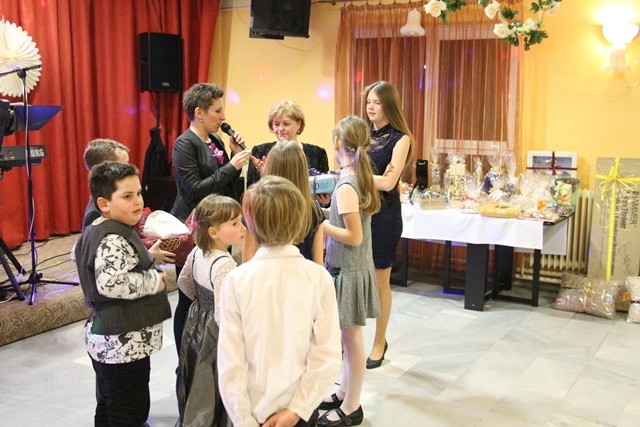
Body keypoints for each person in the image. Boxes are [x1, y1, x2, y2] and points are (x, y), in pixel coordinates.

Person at [218, 175, 342, 427]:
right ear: (300, 220)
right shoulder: (318, 278)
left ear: (251, 224)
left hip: (250, 410)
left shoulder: (237, 280)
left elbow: (231, 361)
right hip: (300, 410)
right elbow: (327, 355)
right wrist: (297, 409)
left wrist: (244, 421)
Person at [75, 161, 172, 427]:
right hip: (122, 346)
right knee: (129, 413)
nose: (138, 201)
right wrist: (153, 280)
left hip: (112, 343)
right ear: (104, 203)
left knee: (109, 405)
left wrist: (145, 257)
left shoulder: (99, 227)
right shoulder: (113, 239)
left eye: (138, 193)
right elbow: (111, 283)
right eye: (127, 196)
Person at [170, 82, 251, 355]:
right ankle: (184, 357)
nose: (223, 117)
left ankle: (209, 351)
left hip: (216, 226)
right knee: (189, 297)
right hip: (195, 226)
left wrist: (234, 158)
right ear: (199, 112)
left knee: (213, 294)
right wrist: (231, 166)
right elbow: (194, 189)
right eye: (217, 111)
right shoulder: (184, 144)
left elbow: (225, 188)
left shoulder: (215, 141)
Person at [317, 116, 381, 427]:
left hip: (350, 269)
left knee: (351, 338)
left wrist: (322, 225)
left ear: (337, 144)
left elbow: (354, 236)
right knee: (347, 336)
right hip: (355, 267)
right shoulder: (357, 176)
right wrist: (326, 212)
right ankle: (344, 390)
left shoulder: (346, 185)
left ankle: (352, 405)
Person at [175, 195, 245, 427]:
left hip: (196, 321)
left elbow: (184, 281)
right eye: (235, 223)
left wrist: (199, 304)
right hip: (214, 331)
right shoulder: (225, 264)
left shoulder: (197, 252)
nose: (243, 228)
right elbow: (224, 313)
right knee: (213, 378)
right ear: (214, 232)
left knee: (197, 374)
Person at [363, 81, 414, 370]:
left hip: (385, 216)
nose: (371, 107)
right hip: (359, 211)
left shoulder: (400, 138)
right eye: (369, 101)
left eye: (377, 102)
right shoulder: (361, 134)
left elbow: (388, 182)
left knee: (381, 280)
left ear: (389, 105)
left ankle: (379, 342)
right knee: (353, 278)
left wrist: (354, 175)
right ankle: (348, 339)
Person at [80, 138, 175, 265]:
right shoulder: (95, 215)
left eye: (138, 194)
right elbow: (102, 261)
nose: (128, 169)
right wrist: (148, 256)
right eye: (123, 165)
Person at [242, 140, 324, 264]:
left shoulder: (258, 206)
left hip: (265, 273)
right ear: (303, 171)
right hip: (302, 274)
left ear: (270, 168)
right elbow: (318, 263)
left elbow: (247, 259)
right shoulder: (313, 210)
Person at [246, 100, 329, 187]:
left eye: (286, 124)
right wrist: (265, 174)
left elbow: (325, 188)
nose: (280, 129)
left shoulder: (317, 153)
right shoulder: (260, 152)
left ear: (299, 124)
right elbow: (252, 189)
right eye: (276, 124)